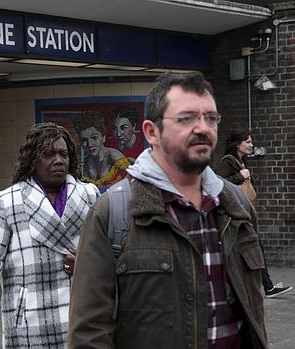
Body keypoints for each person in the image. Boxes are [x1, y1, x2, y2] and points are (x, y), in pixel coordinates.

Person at [69, 73, 268, 348]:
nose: (203, 128)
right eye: (186, 118)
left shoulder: (236, 205)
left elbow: (252, 312)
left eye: (210, 118)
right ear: (152, 132)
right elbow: (89, 333)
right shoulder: (113, 213)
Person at [0, 123, 99, 348]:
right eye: (48, 154)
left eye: (63, 154)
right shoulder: (8, 201)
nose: (58, 160)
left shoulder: (89, 195)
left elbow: (112, 252)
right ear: (33, 160)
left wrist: (86, 262)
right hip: (29, 321)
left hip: (82, 315)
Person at [217, 128, 293, 298]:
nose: (251, 145)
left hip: (243, 211)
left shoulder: (242, 160)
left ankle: (266, 286)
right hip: (233, 215)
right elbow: (218, 183)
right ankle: (267, 287)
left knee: (253, 247)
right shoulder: (228, 162)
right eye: (248, 142)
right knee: (252, 247)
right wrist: (239, 176)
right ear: (238, 144)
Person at [77, 111, 130, 188]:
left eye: (94, 137)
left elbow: (133, 181)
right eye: (84, 140)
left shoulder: (114, 156)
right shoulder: (84, 163)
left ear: (103, 137)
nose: (90, 144)